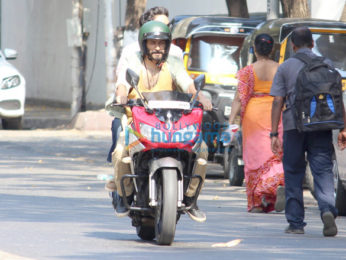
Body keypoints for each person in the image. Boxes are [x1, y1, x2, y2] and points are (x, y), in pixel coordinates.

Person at [110, 20, 212, 222]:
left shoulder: (172, 63)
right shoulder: (134, 62)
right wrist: (121, 96)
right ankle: (125, 195)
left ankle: (191, 198)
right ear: (143, 44)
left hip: (170, 123)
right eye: (152, 43)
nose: (157, 47)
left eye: (162, 43)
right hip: (139, 124)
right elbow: (122, 83)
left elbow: (187, 84)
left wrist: (201, 97)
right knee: (120, 151)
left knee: (202, 150)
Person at [270, 26, 346, 236]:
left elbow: (277, 101)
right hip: (321, 125)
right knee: (322, 170)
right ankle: (327, 210)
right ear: (313, 44)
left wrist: (274, 134)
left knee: (294, 171)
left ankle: (296, 223)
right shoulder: (327, 65)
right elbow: (337, 98)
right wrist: (343, 127)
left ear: (293, 46)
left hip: (294, 127)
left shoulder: (285, 67)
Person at [106, 6, 183, 163]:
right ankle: (119, 176)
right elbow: (122, 80)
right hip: (135, 110)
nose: (165, 29)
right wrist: (122, 95)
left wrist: (197, 96)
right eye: (161, 25)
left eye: (168, 26)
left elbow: (183, 82)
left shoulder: (175, 53)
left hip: (167, 114)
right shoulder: (131, 52)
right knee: (120, 133)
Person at [228, 33, 285, 213]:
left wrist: (231, 122)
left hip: (254, 116)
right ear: (273, 49)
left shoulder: (247, 71)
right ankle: (276, 189)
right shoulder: (281, 69)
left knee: (255, 160)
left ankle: (259, 201)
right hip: (277, 114)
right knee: (275, 155)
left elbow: (238, 99)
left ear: (254, 49)